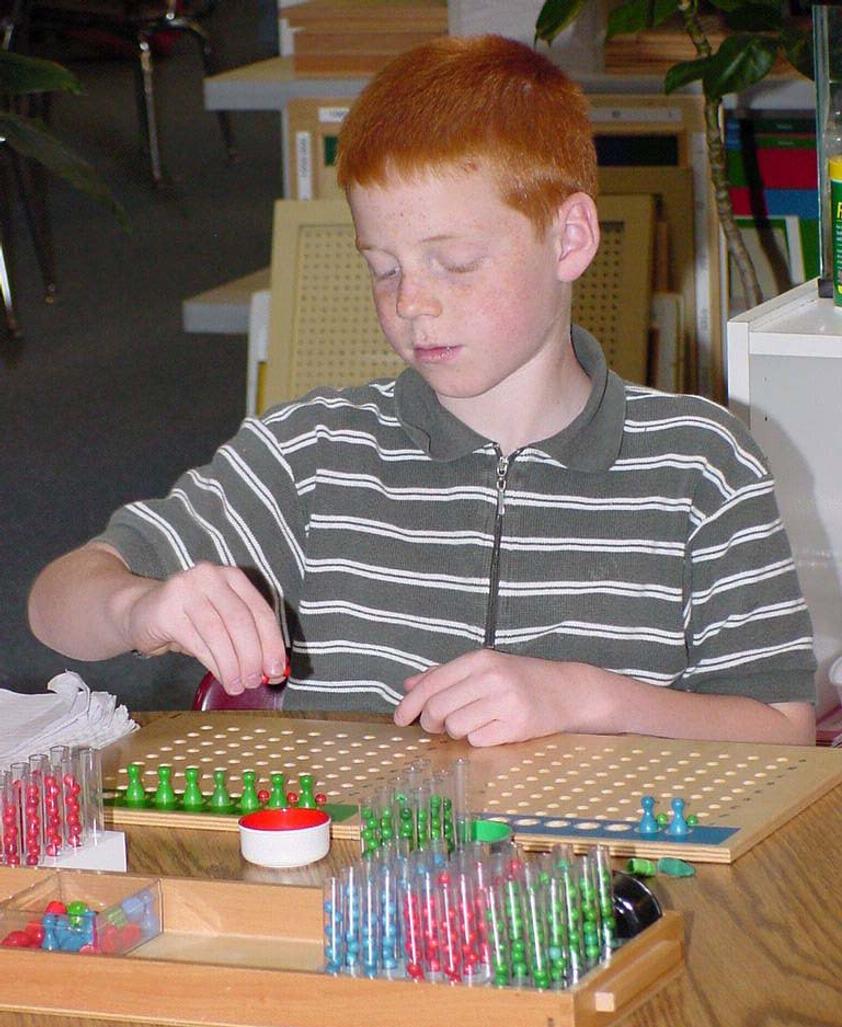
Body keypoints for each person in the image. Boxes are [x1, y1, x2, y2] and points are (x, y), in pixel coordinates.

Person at [28, 35, 816, 747]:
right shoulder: (316, 453)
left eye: (456, 262)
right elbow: (58, 601)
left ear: (569, 238)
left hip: (611, 887)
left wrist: (586, 697)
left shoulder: (701, 464)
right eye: (385, 267)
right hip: (363, 885)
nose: (411, 301)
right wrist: (141, 609)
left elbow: (780, 731)